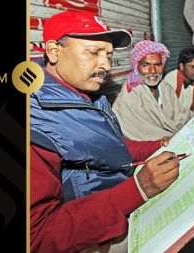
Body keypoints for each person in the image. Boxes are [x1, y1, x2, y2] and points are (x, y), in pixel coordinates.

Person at [30, 11, 180, 253]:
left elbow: (108, 148)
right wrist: (137, 190)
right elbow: (37, 237)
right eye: (94, 52)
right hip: (94, 235)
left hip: (117, 205)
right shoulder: (34, 123)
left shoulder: (86, 94)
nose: (106, 66)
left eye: (109, 55)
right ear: (54, 51)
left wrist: (157, 145)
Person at [112, 40, 191, 141]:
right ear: (136, 67)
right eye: (146, 65)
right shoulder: (130, 94)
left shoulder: (166, 88)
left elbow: (181, 115)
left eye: (158, 65)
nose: (153, 71)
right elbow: (134, 135)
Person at [161, 48, 194, 117]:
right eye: (192, 66)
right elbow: (167, 111)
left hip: (191, 118)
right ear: (181, 66)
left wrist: (193, 117)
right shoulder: (169, 80)